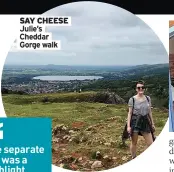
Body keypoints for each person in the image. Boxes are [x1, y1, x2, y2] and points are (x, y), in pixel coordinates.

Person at [127, 80, 155, 159]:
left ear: (144, 89)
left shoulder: (148, 98)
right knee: (134, 142)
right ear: (136, 89)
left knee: (150, 143)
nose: (140, 89)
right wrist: (128, 126)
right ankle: (134, 157)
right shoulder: (132, 99)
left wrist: (152, 123)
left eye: (142, 87)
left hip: (145, 122)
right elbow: (129, 113)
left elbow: (149, 111)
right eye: (138, 88)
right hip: (135, 122)